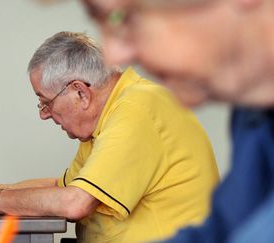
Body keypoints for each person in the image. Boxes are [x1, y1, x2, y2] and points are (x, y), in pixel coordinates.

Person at [0, 31, 219, 242]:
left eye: (45, 102)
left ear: (80, 91)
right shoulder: (110, 115)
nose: (43, 114)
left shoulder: (138, 108)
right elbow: (62, 186)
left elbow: (74, 202)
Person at [79, 0, 274, 242]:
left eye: (124, 18)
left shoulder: (135, 106)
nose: (115, 55)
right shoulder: (254, 114)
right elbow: (221, 231)